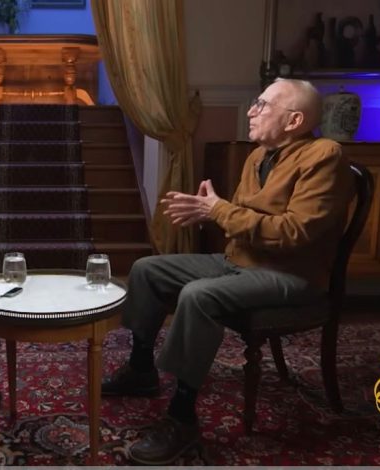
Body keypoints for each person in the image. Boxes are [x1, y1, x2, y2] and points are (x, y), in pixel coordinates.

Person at [101, 78, 355, 465]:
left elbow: (294, 232)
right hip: (241, 261)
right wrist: (210, 212)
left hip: (291, 275)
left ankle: (182, 417)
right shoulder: (258, 156)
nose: (251, 111)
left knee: (199, 295)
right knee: (147, 269)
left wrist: (218, 210)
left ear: (294, 120)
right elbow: (242, 219)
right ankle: (140, 370)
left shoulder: (325, 156)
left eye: (263, 105)